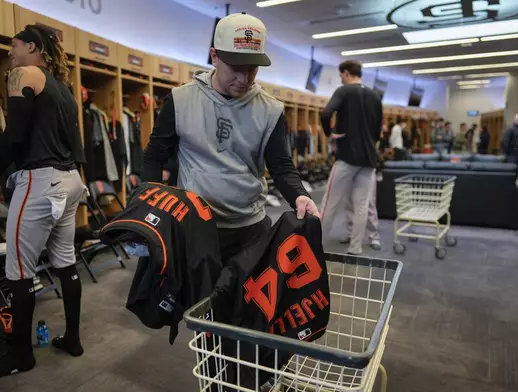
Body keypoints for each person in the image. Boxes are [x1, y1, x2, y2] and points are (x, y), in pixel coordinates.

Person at [141, 13, 319, 263]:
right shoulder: (180, 100)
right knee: (196, 302)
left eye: (252, 69)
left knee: (242, 303)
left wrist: (300, 195)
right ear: (214, 57)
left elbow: (281, 167)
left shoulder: (271, 110)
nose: (244, 78)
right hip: (193, 227)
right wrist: (151, 208)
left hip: (249, 229)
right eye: (236, 68)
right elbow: (154, 156)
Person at [0, 25, 86, 378]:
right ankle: (72, 338)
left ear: (33, 46)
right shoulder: (64, 90)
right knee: (65, 262)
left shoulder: (23, 74)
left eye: (14, 46)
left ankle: (20, 354)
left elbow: (14, 134)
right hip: (70, 180)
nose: (10, 53)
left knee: (19, 271)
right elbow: (75, 143)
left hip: (40, 181)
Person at [319, 60, 382, 255]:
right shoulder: (375, 96)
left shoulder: (344, 91)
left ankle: (314, 245)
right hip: (368, 159)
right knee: (361, 206)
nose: (341, 79)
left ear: (346, 74)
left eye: (341, 76)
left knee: (330, 203)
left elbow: (326, 113)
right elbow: (378, 131)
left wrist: (330, 134)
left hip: (347, 157)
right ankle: (355, 248)